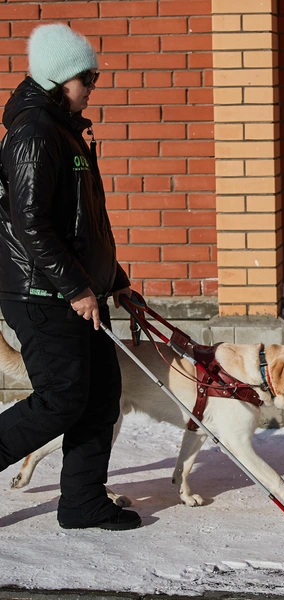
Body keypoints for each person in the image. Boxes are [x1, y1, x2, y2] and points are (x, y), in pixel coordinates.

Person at [0, 23, 141, 530]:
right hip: (43, 293)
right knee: (60, 399)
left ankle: (82, 501)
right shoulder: (34, 132)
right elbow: (30, 222)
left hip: (77, 289)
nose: (94, 85)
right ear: (62, 77)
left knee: (100, 395)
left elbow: (81, 223)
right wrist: (78, 287)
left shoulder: (63, 129)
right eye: (89, 76)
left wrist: (113, 278)